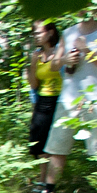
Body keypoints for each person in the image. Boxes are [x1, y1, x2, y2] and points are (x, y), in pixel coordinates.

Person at [41, 10, 97, 191]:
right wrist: (65, 59)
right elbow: (54, 64)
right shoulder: (68, 33)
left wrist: (87, 50)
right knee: (56, 148)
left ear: (96, 8)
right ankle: (48, 192)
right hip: (68, 100)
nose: (82, 10)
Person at [26, 21, 63, 161]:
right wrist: (33, 64)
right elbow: (34, 85)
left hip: (60, 100)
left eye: (38, 33)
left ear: (50, 32)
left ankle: (53, 173)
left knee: (55, 141)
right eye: (34, 34)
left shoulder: (61, 51)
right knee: (38, 141)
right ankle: (42, 174)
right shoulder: (37, 55)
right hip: (42, 100)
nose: (36, 36)